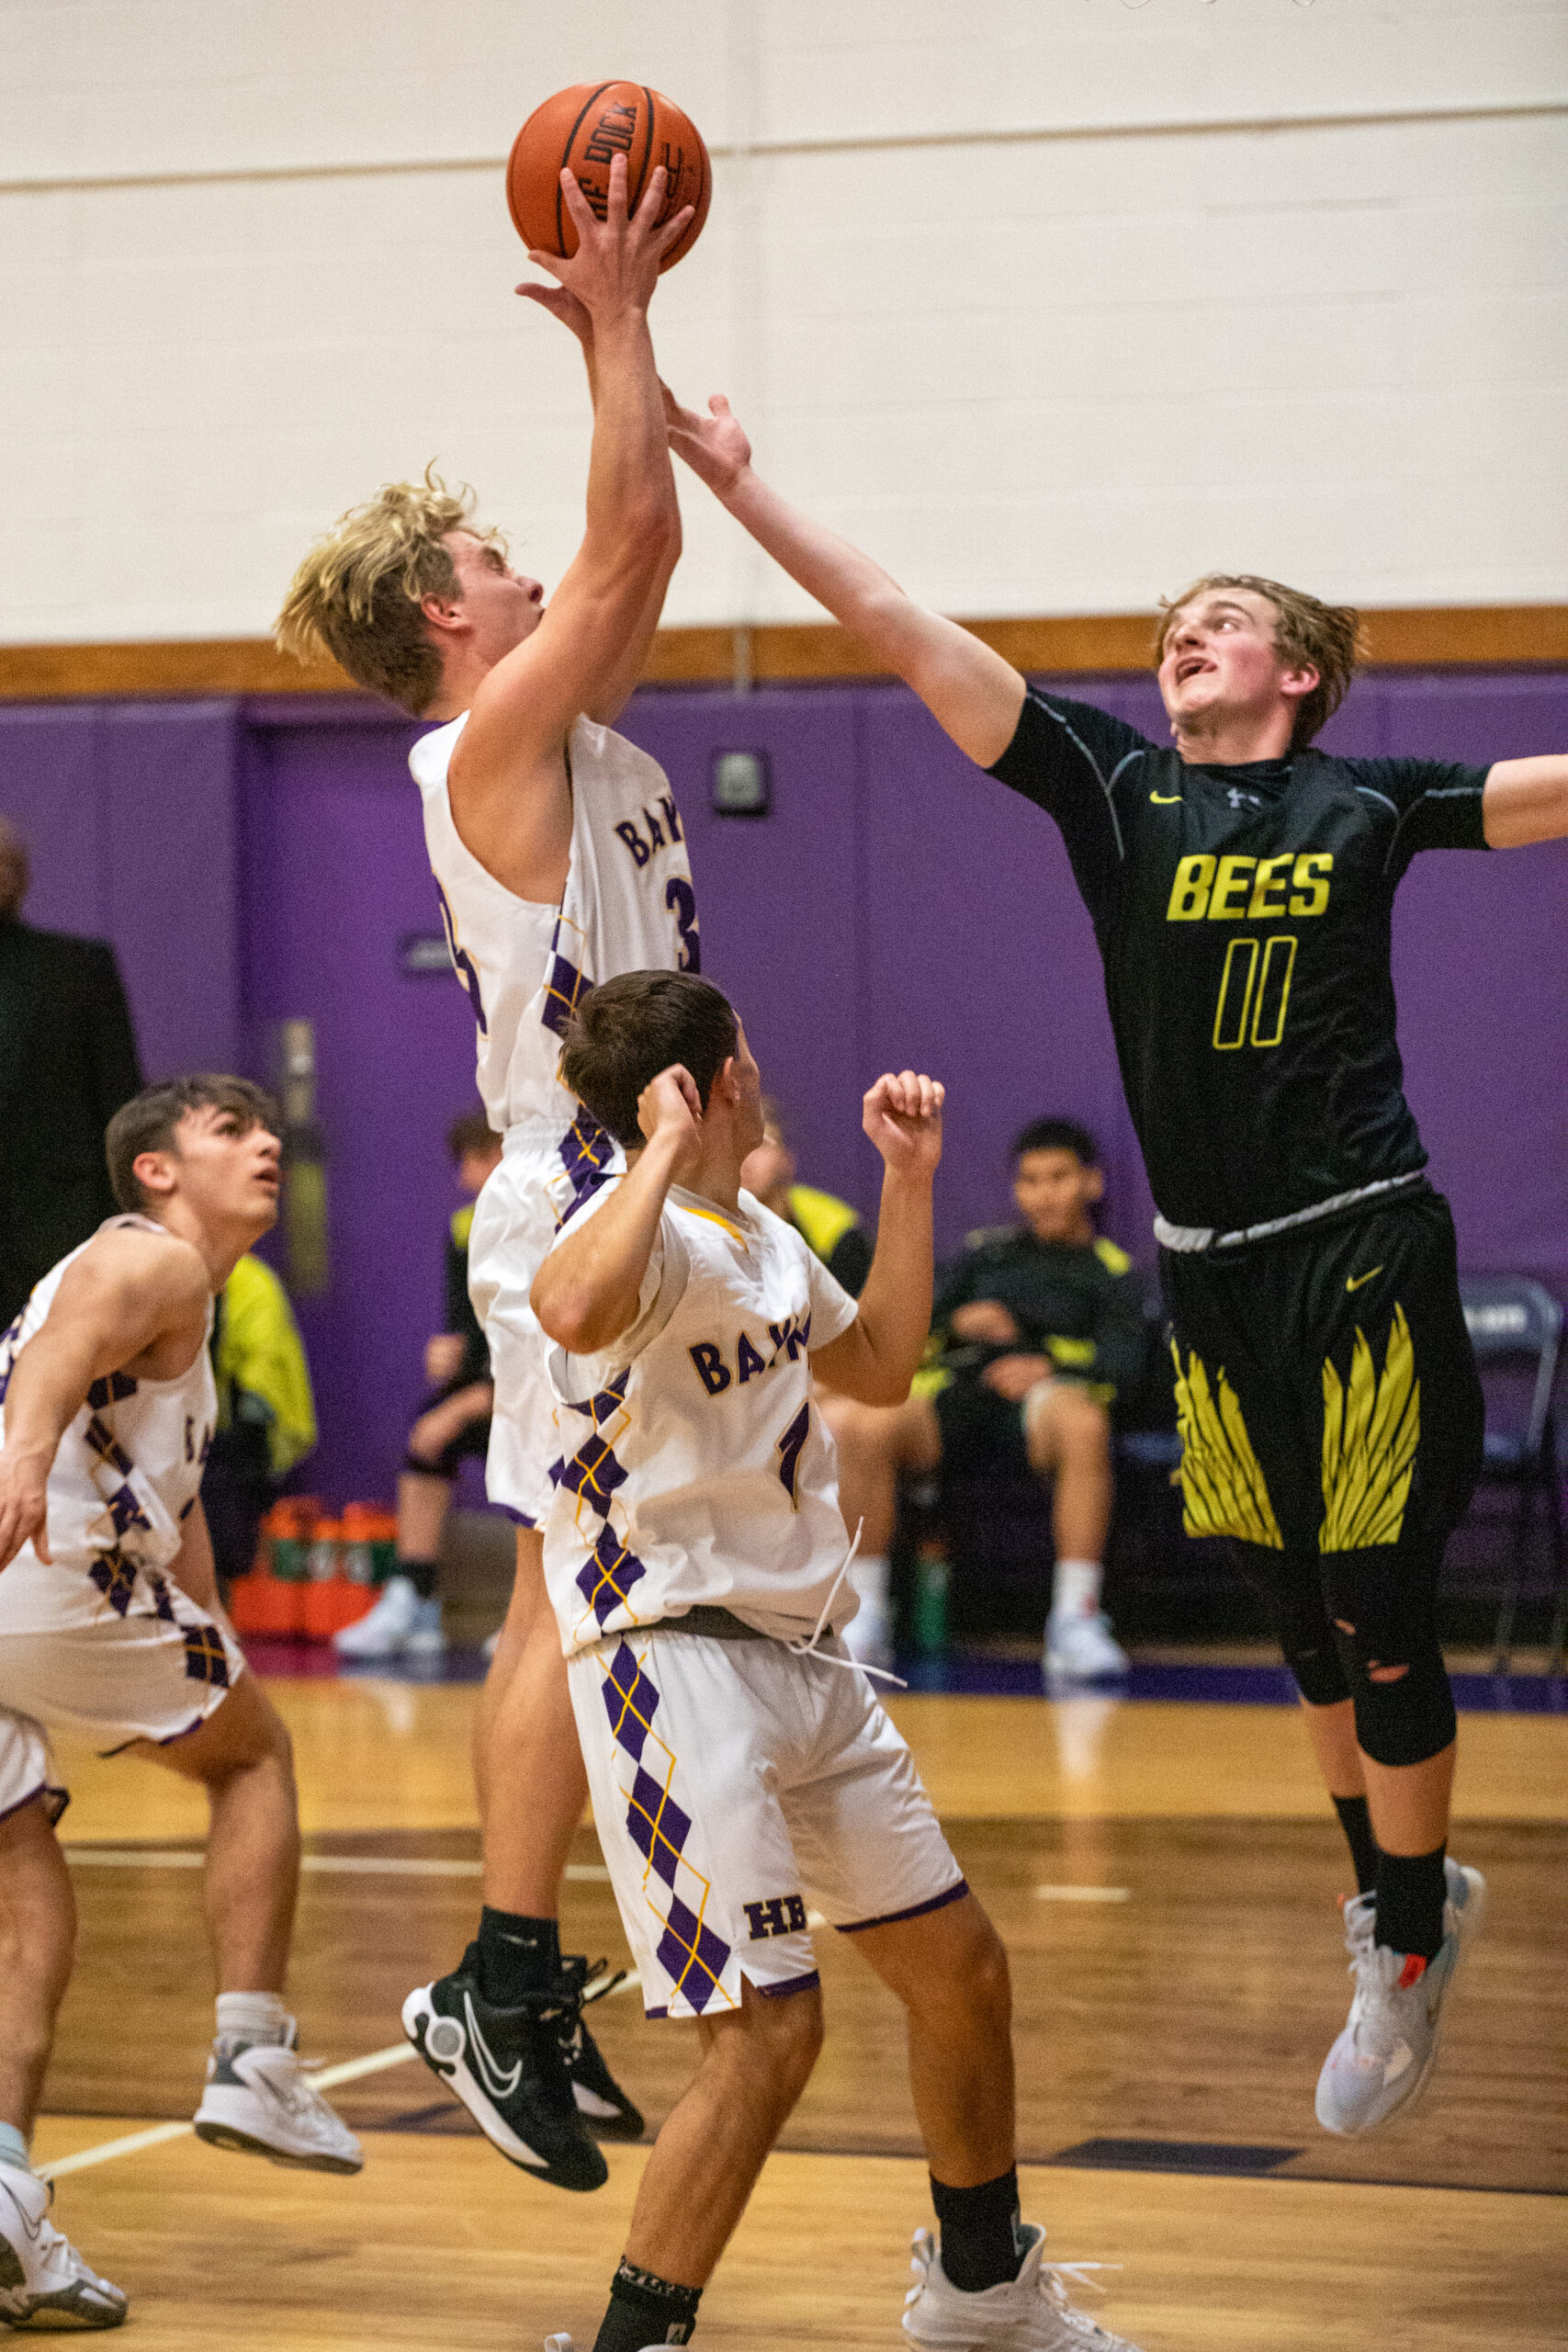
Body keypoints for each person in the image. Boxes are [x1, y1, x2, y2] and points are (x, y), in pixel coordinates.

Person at [662, 379, 1568, 2136]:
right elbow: (897, 626)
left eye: (1219, 623)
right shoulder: (1116, 796)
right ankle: (1398, 1896)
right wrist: (739, 488)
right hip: (1208, 1276)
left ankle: (1395, 1936)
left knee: (1382, 1612)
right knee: (1299, 1623)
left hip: (1359, 1244)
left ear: (1296, 670)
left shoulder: (1368, 805)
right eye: (1170, 630)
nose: (1183, 640)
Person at [276, 153, 698, 2186]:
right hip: (572, 1188)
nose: (533, 568)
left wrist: (632, 356)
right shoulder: (480, 747)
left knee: (584, 1592)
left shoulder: (560, 724)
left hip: (650, 1188)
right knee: (549, 1593)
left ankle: (522, 1966)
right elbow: (624, 540)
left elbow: (640, 543)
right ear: (449, 618)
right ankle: (500, 1971)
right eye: (494, 556)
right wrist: (615, 311)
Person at [531, 969, 1145, 2352]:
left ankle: (979, 2291)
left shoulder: (748, 1231)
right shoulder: (623, 1235)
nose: (760, 1060)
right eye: (737, 1050)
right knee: (765, 2033)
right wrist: (653, 1152)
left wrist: (908, 1182)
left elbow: (873, 1367)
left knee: (960, 1969)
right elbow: (570, 1308)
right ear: (704, 1084)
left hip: (806, 1659)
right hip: (668, 1659)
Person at [0, 1077, 361, 2327]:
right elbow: (54, 1353)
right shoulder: (149, 1260)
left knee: (19, 1873)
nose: (266, 1143)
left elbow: (183, 1519)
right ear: (156, 1171)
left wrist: (217, 1643)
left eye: (270, 1129)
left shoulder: (188, 1325)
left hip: (34, 1588)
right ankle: (250, 2054)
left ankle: (1, 2192)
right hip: (44, 1570)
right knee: (254, 1766)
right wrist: (23, 1457)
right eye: (229, 1131)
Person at [828, 1118, 1146, 1680]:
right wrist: (956, 1323)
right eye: (1029, 1181)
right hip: (958, 1394)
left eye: (1059, 1178)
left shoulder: (1111, 1272)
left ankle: (1076, 1621)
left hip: (1040, 1409)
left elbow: (1126, 1366)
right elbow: (906, 1332)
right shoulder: (985, 1255)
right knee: (859, 1424)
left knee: (1084, 1424)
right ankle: (866, 1614)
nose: (1043, 1194)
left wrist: (1046, 1364)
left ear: (1090, 1184)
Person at [335, 1110, 501, 1659]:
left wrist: (475, 1398)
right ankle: (415, 1596)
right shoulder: (465, 1228)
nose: (466, 1176)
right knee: (426, 1437)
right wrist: (450, 1354)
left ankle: (542, 1613)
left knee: (473, 1431)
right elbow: (465, 1324)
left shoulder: (553, 1220)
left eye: (477, 1159)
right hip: (493, 1387)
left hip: (548, 1391)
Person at [0, 816, 143, 1327]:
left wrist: (119, 1230)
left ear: (19, 878)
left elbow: (123, 1111)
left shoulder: (79, 969)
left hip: (57, 1233)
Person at [201, 1246, 317, 1594]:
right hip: (203, 1437)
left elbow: (263, 1376)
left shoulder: (249, 1281)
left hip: (231, 1440)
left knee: (221, 1550)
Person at [739, 1097, 874, 1296]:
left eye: (761, 1145)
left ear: (788, 1159)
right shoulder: (699, 1226)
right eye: (736, 1145)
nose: (745, 1159)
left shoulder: (838, 1234)